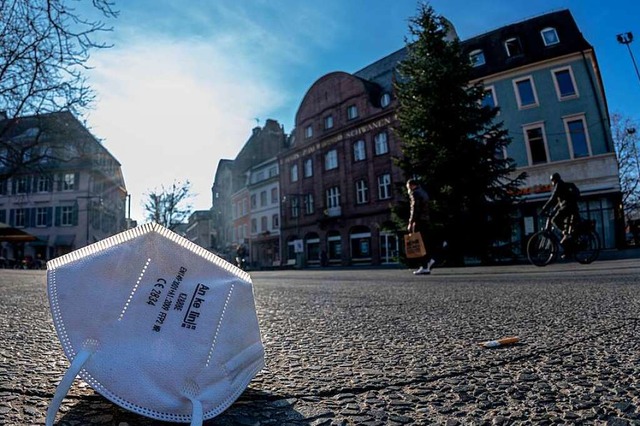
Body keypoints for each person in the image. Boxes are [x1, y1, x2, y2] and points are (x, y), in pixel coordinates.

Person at [406, 179, 436, 275]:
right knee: (425, 242)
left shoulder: (415, 193)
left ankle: (424, 266)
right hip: (425, 220)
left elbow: (414, 208)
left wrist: (411, 222)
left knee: (418, 244)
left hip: (418, 221)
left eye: (408, 186)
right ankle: (428, 261)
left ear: (411, 185)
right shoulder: (424, 192)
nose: (408, 188)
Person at [541, 172, 580, 243]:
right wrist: (553, 210)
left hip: (568, 208)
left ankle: (566, 234)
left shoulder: (559, 185)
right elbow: (559, 203)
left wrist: (544, 208)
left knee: (554, 220)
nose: (552, 183)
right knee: (566, 226)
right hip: (572, 208)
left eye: (552, 181)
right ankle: (568, 243)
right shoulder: (564, 186)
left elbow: (553, 198)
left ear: (554, 180)